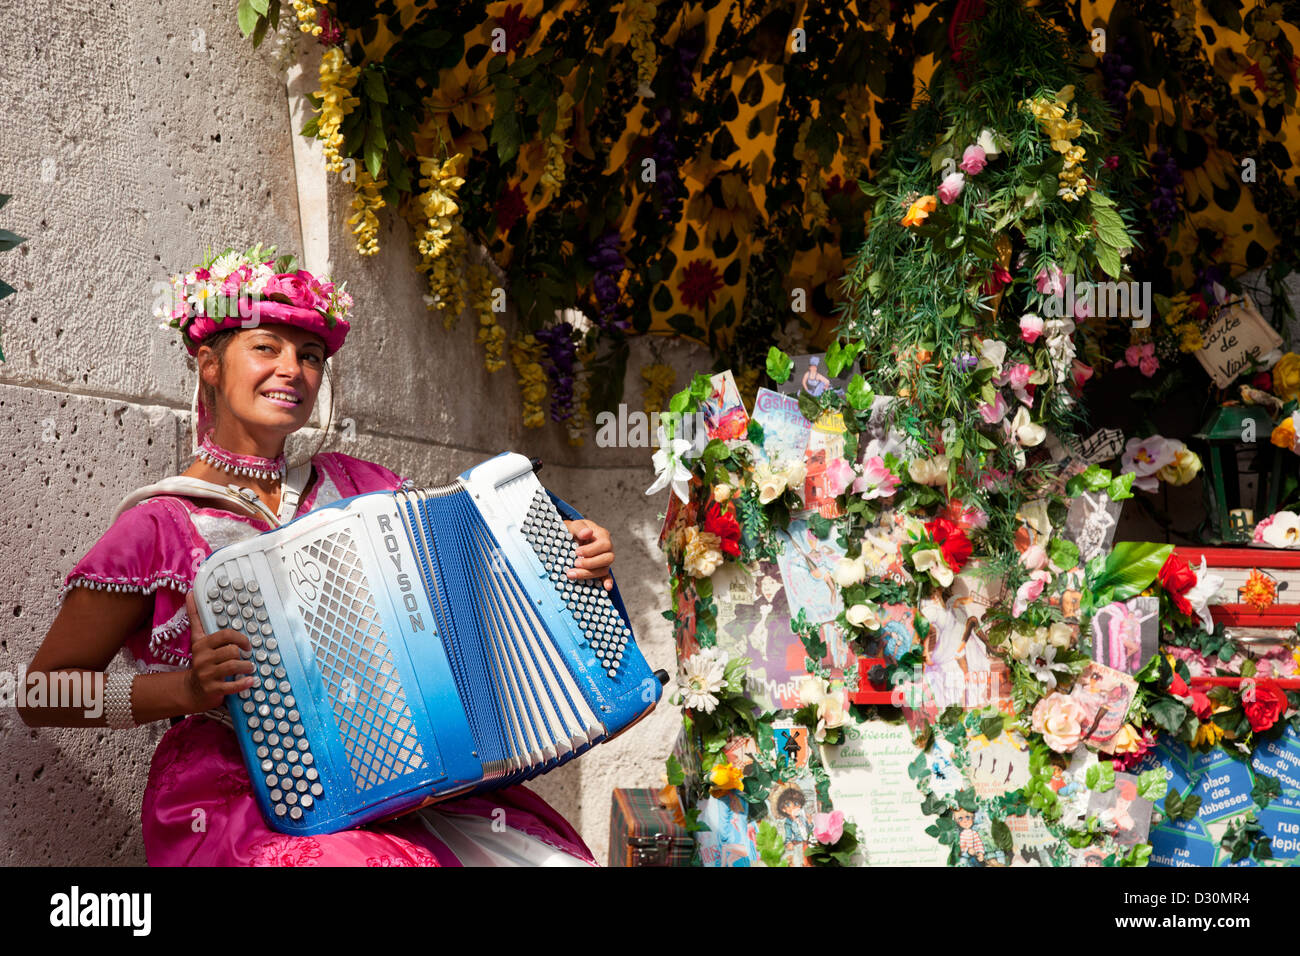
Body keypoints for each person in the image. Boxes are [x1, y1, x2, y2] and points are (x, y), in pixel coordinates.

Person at [21, 245, 622, 866]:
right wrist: (188, 689)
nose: (293, 369)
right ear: (208, 364)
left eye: (310, 356)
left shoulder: (359, 484)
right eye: (266, 347)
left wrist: (561, 559)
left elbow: (463, 591)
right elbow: (41, 694)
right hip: (238, 795)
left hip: (417, 774)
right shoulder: (158, 526)